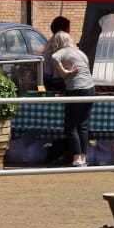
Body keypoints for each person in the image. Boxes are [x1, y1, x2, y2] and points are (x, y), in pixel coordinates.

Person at [47, 31, 95, 166]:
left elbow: (54, 57)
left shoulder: (62, 51)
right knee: (83, 125)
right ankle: (84, 158)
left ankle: (76, 157)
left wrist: (64, 73)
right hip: (90, 88)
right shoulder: (80, 52)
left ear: (58, 42)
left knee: (70, 125)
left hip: (76, 89)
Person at [43, 15, 72, 93]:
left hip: (47, 78)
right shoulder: (62, 42)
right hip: (58, 80)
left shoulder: (49, 43)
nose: (70, 31)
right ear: (64, 30)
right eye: (69, 28)